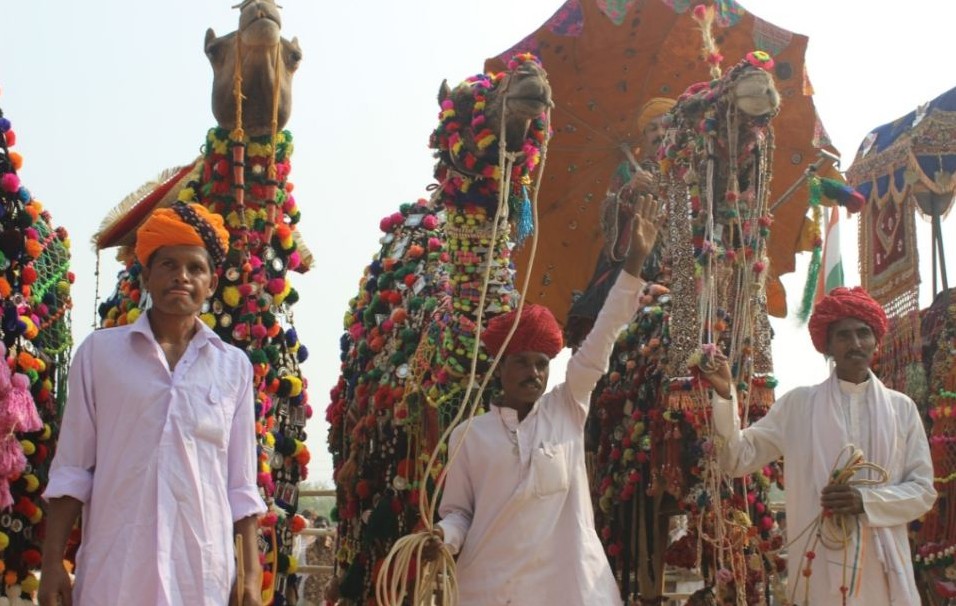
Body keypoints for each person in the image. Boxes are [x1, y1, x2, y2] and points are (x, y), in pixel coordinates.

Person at [428, 194, 663, 605]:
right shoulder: (468, 436)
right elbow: (459, 514)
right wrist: (442, 537)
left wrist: (633, 265)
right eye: (521, 362)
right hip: (488, 589)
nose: (533, 373)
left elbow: (602, 336)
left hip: (570, 590)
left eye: (541, 364)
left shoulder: (567, 407)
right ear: (500, 367)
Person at [39, 202, 266, 606]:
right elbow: (72, 469)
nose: (182, 276)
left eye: (195, 268)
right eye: (168, 265)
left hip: (201, 574)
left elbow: (240, 483)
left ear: (212, 283)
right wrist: (53, 562)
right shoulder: (99, 355)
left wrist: (250, 575)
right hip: (116, 572)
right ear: (146, 277)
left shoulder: (234, 368)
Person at [702, 286, 936, 605]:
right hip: (818, 571)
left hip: (882, 576)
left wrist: (864, 501)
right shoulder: (799, 405)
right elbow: (736, 458)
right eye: (843, 336)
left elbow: (922, 492)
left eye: (863, 333)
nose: (855, 344)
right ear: (827, 344)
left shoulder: (902, 409)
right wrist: (725, 396)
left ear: (875, 340)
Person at [566, 96, 675, 347]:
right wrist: (629, 189)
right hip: (634, 255)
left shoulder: (690, 170)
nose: (660, 133)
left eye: (665, 125)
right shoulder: (628, 170)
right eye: (652, 128)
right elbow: (607, 214)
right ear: (644, 137)